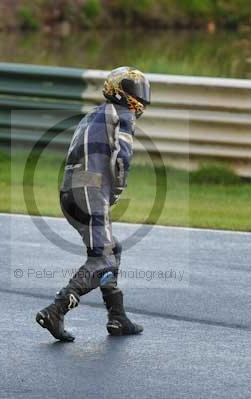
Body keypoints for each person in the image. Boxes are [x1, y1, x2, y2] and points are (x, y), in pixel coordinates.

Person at [36, 66, 151, 342]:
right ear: (118, 91)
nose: (140, 99)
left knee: (112, 250)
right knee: (103, 260)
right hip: (90, 190)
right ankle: (57, 309)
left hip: (69, 191)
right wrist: (117, 190)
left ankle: (117, 316)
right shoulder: (122, 115)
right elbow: (122, 158)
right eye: (135, 91)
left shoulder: (92, 116)